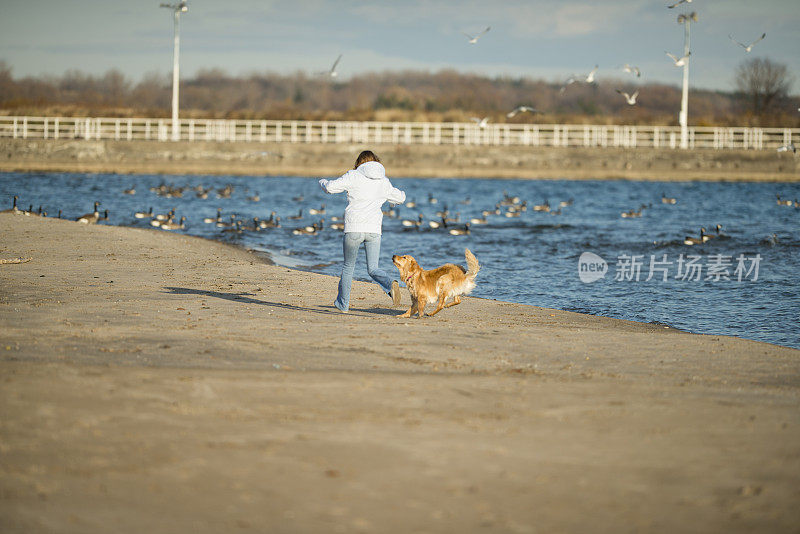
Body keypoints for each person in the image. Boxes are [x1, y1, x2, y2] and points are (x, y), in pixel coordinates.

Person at [319, 150, 406, 313]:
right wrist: (392, 201)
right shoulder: (383, 181)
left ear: (359, 163)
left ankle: (343, 304)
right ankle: (389, 284)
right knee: (373, 268)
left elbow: (330, 188)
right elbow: (400, 197)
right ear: (376, 162)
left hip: (354, 229)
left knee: (348, 267)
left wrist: (322, 182)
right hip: (374, 231)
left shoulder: (354, 175)